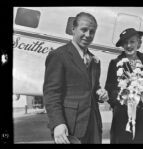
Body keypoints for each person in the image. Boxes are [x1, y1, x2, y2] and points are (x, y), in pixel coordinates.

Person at [43, 12, 108, 144]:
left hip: (93, 126)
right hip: (70, 127)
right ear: (73, 29)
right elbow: (51, 93)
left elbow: (92, 88)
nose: (88, 35)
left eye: (92, 32)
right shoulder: (59, 55)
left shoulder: (95, 60)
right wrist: (58, 123)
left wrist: (100, 93)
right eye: (84, 30)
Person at [105, 28, 143, 144]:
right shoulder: (115, 63)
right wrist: (124, 96)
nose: (129, 45)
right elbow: (110, 88)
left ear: (139, 43)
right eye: (125, 43)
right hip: (122, 116)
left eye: (132, 42)